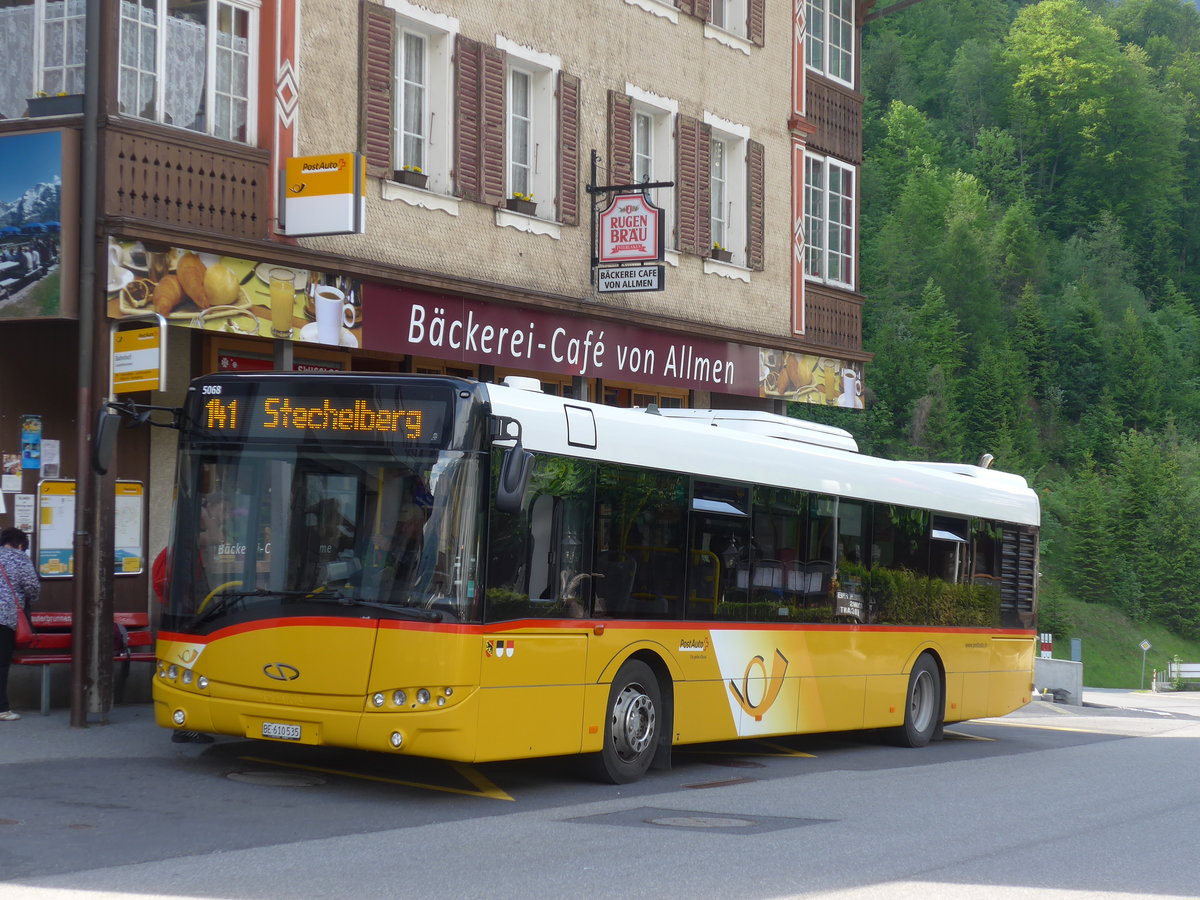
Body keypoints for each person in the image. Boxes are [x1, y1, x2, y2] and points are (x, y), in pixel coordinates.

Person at [150, 544, 214, 744]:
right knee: (187, 673)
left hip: (184, 619)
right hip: (187, 621)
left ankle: (185, 727)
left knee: (187, 672)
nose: (221, 535)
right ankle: (185, 728)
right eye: (219, 530)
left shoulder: (186, 550)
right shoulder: (186, 553)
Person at [0, 527, 39, 722]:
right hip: (5, 618)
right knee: (1, 664)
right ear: (21, 545)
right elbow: (32, 588)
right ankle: (2, 709)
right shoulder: (20, 558)